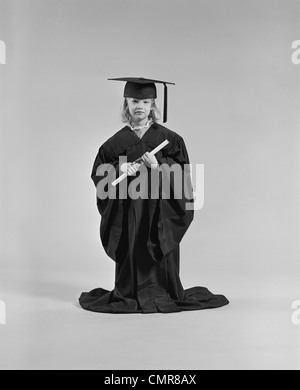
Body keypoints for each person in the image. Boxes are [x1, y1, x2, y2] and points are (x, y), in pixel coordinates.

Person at [79, 77, 229, 313]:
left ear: (153, 106)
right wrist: (119, 170)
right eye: (134, 101)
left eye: (145, 101)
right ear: (126, 104)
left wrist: (159, 165)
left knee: (157, 244)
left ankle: (163, 292)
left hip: (160, 212)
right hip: (129, 212)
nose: (139, 106)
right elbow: (100, 176)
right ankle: (129, 293)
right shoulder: (113, 145)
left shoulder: (170, 140)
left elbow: (183, 179)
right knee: (131, 246)